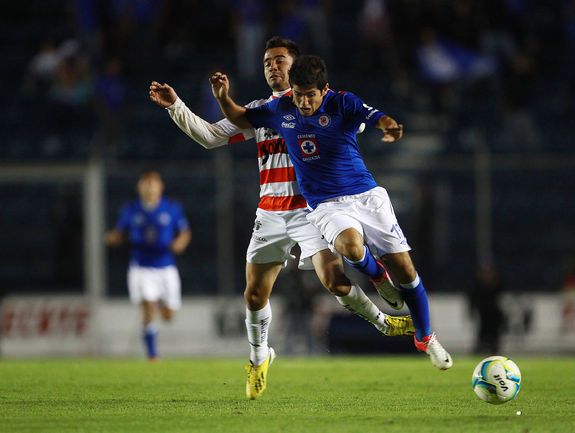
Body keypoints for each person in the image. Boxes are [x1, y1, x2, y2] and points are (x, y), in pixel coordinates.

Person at [149, 36, 414, 400]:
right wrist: (176, 107)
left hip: (313, 210)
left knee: (334, 281)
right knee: (254, 294)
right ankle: (260, 357)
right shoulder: (260, 112)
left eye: (279, 60)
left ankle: (383, 323)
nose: (272, 67)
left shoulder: (324, 103)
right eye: (267, 63)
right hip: (271, 212)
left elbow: (354, 121)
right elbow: (210, 137)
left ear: (296, 66)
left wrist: (373, 125)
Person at [211, 54, 453, 370]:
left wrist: (390, 127)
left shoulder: (342, 102)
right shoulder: (280, 109)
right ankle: (378, 276)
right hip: (325, 204)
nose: (303, 102)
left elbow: (377, 116)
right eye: (298, 95)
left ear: (324, 89)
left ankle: (426, 338)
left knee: (405, 269)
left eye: (310, 95)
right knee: (350, 246)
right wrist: (223, 97)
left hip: (367, 196)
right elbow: (240, 117)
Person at [105, 169, 192, 361]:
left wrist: (180, 243)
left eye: (153, 185)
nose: (150, 189)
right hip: (141, 268)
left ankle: (158, 304)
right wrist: (113, 238)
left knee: (168, 316)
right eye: (146, 185)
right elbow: (120, 233)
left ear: (161, 187)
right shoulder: (131, 210)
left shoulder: (172, 208)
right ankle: (153, 355)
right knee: (148, 309)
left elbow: (184, 232)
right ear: (139, 188)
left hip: (166, 267)